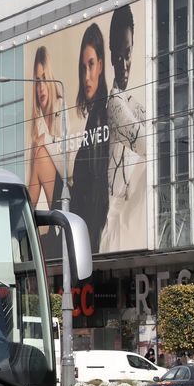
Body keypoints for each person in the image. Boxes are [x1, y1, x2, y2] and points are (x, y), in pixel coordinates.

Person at [101, 5, 147, 253]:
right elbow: (148, 144)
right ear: (110, 56)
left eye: (127, 53)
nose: (124, 63)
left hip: (128, 221)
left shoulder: (130, 102)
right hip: (119, 225)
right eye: (118, 56)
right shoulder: (115, 105)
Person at [72, 23, 110, 253]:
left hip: (89, 241)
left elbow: (97, 187)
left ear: (101, 66)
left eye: (91, 64)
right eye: (82, 67)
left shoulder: (99, 117)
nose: (87, 76)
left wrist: (90, 244)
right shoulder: (95, 115)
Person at [27, 45, 68, 216]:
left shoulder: (61, 106)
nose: (41, 87)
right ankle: (27, 214)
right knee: (39, 155)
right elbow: (32, 174)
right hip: (50, 196)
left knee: (41, 153)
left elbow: (65, 160)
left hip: (65, 188)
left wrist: (44, 141)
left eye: (44, 79)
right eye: (37, 81)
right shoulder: (37, 121)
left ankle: (23, 215)